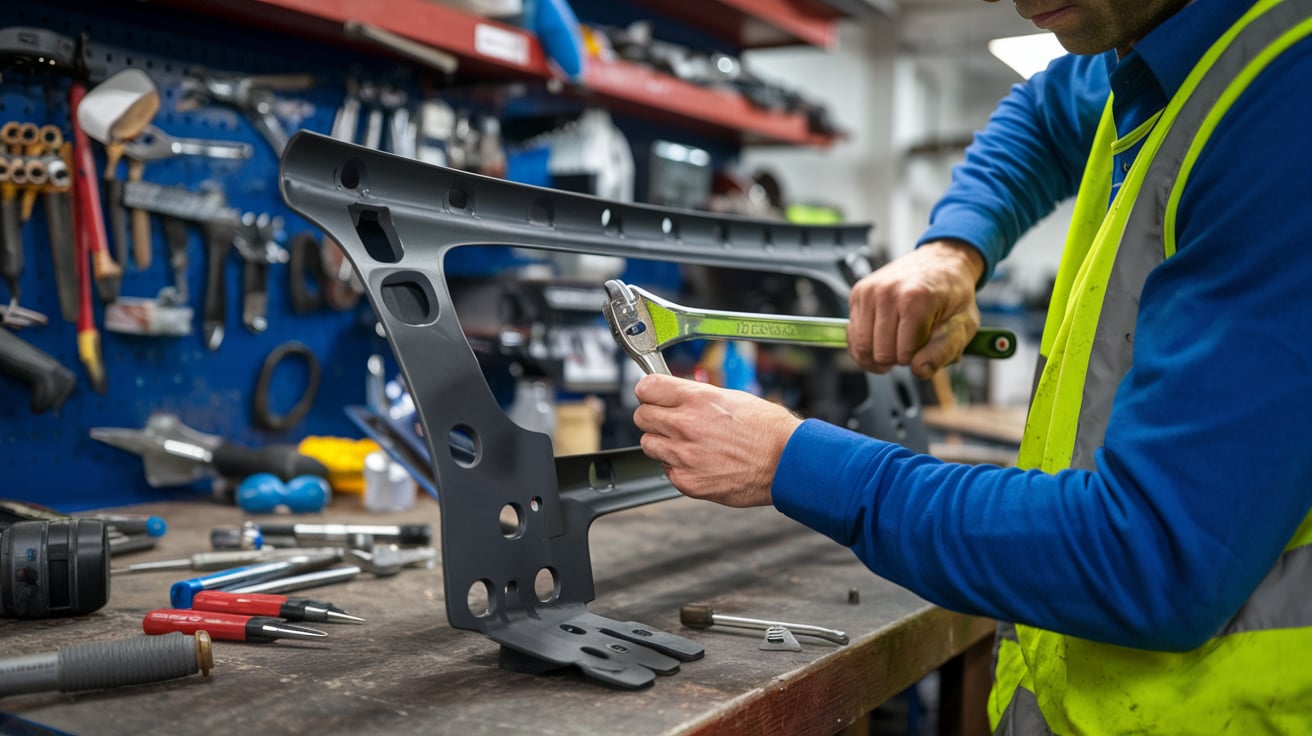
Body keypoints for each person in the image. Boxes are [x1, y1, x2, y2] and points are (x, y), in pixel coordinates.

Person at [631, 0, 1312, 731]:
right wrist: (952, 252)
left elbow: (1153, 557)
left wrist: (791, 461)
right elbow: (1046, 113)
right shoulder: (1157, 55)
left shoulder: (1285, 108)